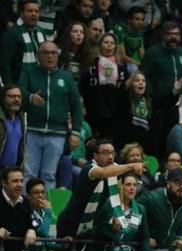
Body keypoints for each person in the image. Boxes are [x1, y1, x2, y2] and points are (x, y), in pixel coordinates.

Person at [53, 140, 144, 251]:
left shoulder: (115, 170)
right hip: (71, 224)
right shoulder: (89, 169)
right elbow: (103, 173)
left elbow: (114, 197)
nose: (110, 157)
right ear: (95, 155)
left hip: (91, 226)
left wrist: (115, 216)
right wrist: (132, 165)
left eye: (112, 153)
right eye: (106, 153)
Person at [20, 41, 84, 191]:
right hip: (32, 131)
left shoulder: (66, 77)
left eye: (53, 53)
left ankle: (45, 210)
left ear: (58, 56)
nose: (50, 56)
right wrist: (31, 98)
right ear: (38, 56)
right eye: (45, 53)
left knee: (49, 175)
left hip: (57, 134)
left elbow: (76, 106)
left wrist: (75, 131)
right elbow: (19, 91)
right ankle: (25, 210)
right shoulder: (29, 73)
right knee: (29, 173)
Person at [93, 171, 150, 251]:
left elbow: (145, 237)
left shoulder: (140, 209)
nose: (132, 188)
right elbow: (96, 230)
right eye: (128, 185)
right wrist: (111, 228)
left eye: (134, 185)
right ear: (120, 186)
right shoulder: (109, 205)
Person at [136, 168, 182, 251]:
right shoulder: (152, 198)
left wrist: (180, 238)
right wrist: (144, 237)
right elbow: (134, 212)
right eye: (178, 183)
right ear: (168, 184)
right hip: (146, 250)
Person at [81, 33, 128, 140]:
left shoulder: (121, 66)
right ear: (100, 45)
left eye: (112, 43)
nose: (109, 45)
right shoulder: (91, 63)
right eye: (106, 42)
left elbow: (123, 89)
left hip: (114, 111)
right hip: (94, 109)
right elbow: (84, 85)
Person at [0, 0, 46, 86]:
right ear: (21, 13)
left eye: (36, 11)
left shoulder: (41, 32)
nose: (34, 14)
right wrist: (10, 86)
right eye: (30, 11)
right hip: (19, 85)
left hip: (39, 82)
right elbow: (4, 64)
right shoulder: (11, 33)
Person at [0, 167, 37, 251]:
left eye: (21, 181)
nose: (20, 185)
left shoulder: (26, 203)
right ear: (3, 183)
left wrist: (31, 229)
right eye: (15, 181)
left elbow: (31, 224)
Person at [16, 178, 56, 251]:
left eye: (42, 192)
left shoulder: (43, 213)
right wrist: (48, 211)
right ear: (28, 196)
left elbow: (47, 241)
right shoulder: (26, 213)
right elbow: (43, 232)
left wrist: (63, 243)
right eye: (36, 193)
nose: (40, 195)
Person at [114, 6, 145, 74]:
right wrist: (139, 64)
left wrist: (145, 65)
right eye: (137, 19)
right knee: (133, 68)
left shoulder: (140, 32)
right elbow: (122, 56)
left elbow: (142, 54)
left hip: (131, 62)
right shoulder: (120, 29)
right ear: (129, 19)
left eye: (142, 19)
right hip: (117, 61)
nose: (140, 22)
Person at [1, 85, 26, 169]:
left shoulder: (22, 119)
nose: (16, 99)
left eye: (19, 97)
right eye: (12, 96)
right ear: (3, 98)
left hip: (12, 170)